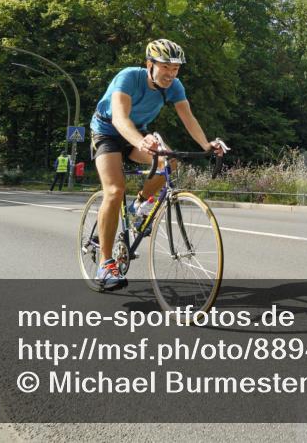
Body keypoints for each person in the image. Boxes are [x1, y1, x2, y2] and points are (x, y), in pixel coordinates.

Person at [90, 39, 227, 291]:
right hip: (108, 132)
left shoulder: (175, 87)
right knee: (114, 190)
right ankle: (105, 263)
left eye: (176, 69)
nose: (171, 74)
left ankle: (139, 205)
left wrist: (207, 144)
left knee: (170, 163)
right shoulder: (129, 77)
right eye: (165, 67)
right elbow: (120, 118)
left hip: (138, 133)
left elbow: (189, 118)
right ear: (149, 64)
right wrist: (141, 142)